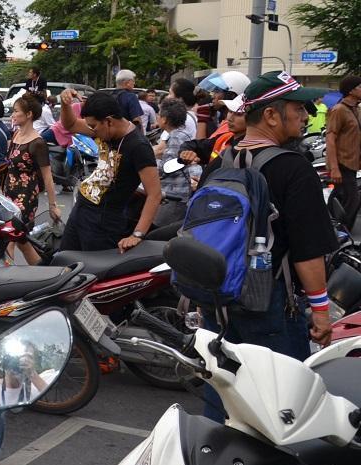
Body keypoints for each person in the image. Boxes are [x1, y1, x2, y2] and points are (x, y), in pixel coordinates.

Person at [198, 71, 336, 422]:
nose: (306, 114)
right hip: (271, 300)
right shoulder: (294, 168)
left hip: (219, 297)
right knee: (282, 404)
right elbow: (307, 251)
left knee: (225, 387)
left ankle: (219, 462)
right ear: (272, 115)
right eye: (299, 107)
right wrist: (320, 310)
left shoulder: (220, 161)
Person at [56, 90, 163, 252]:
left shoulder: (138, 146)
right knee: (66, 261)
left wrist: (137, 234)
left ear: (109, 121)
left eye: (93, 126)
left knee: (92, 272)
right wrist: (65, 104)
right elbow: (70, 124)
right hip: (82, 209)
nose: (92, 131)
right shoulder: (103, 128)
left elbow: (155, 194)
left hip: (103, 221)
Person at [1, 95, 60, 264]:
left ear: (29, 115)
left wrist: (52, 205)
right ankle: (43, 272)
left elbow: (48, 176)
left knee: (9, 238)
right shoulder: (15, 136)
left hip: (26, 197)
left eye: (16, 111)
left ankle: (5, 277)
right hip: (8, 194)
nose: (13, 115)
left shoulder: (38, 143)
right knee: (22, 242)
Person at [152, 99, 202, 228]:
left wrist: (148, 162)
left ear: (164, 119)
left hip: (174, 194)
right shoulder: (183, 134)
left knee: (156, 230)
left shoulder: (175, 137)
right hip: (181, 193)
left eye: (159, 114)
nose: (157, 117)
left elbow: (166, 167)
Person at [326, 75, 361, 228]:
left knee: (340, 198)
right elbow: (330, 138)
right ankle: (340, 232)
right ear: (351, 91)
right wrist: (334, 167)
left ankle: (331, 228)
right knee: (352, 199)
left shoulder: (355, 110)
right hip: (342, 163)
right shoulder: (339, 110)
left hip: (353, 163)